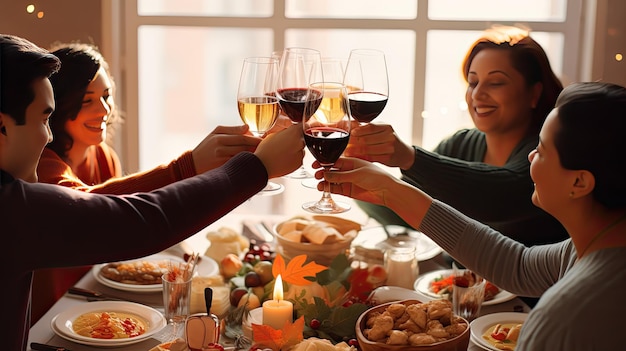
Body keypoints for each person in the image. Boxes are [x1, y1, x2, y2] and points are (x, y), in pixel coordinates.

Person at [0, 33, 304, 350]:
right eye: (43, 118)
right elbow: (140, 219)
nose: (46, 135)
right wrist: (257, 168)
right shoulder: (13, 209)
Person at [321, 81, 626, 350]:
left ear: (579, 183)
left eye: (542, 151)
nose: (530, 156)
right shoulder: (597, 247)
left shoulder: (562, 319)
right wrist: (391, 190)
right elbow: (517, 265)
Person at [346, 25, 568, 247]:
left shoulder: (547, 152)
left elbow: (504, 193)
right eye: (473, 82)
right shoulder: (459, 144)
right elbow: (404, 208)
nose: (478, 94)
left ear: (534, 93)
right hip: (454, 281)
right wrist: (350, 167)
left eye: (496, 82)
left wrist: (409, 157)